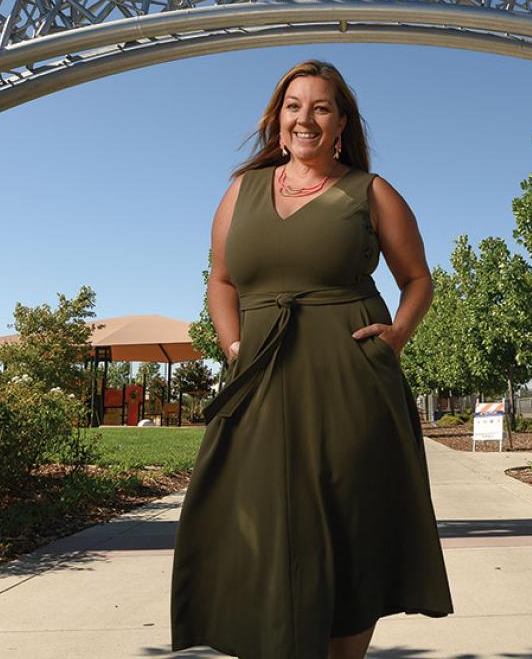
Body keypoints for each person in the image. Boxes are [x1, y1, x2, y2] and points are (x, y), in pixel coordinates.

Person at [170, 59, 453, 658]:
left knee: (349, 532)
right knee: (253, 528)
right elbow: (221, 280)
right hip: (260, 381)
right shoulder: (241, 191)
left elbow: (418, 279)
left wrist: (395, 337)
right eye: (294, 106)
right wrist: (234, 346)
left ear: (341, 123)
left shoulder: (370, 192)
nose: (306, 119)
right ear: (277, 120)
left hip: (350, 383)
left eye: (322, 108)